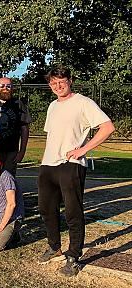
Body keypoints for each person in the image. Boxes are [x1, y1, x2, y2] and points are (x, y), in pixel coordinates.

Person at [37, 67, 114, 277]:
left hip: (71, 164)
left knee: (72, 211)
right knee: (45, 208)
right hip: (48, 164)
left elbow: (107, 127)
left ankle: (74, 254)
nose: (58, 86)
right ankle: (55, 247)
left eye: (62, 81)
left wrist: (83, 149)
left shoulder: (83, 102)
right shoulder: (52, 106)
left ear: (70, 81)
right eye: (53, 83)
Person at [0, 77, 32, 176]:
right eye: (2, 86)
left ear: (12, 88)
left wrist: (22, 151)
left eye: (8, 86)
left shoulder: (18, 104)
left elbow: (24, 129)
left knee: (9, 179)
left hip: (11, 151)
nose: (5, 88)